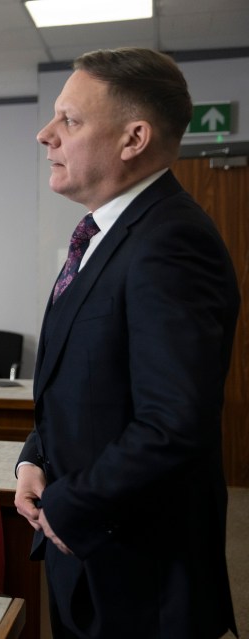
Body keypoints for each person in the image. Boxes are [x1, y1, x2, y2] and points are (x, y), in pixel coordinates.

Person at [14, 48, 239, 638]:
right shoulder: (105, 234)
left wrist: (70, 503)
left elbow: (174, 423)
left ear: (133, 138)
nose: (46, 135)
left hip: (141, 583)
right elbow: (85, 379)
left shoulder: (169, 242)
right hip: (89, 561)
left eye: (70, 120)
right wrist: (36, 455)